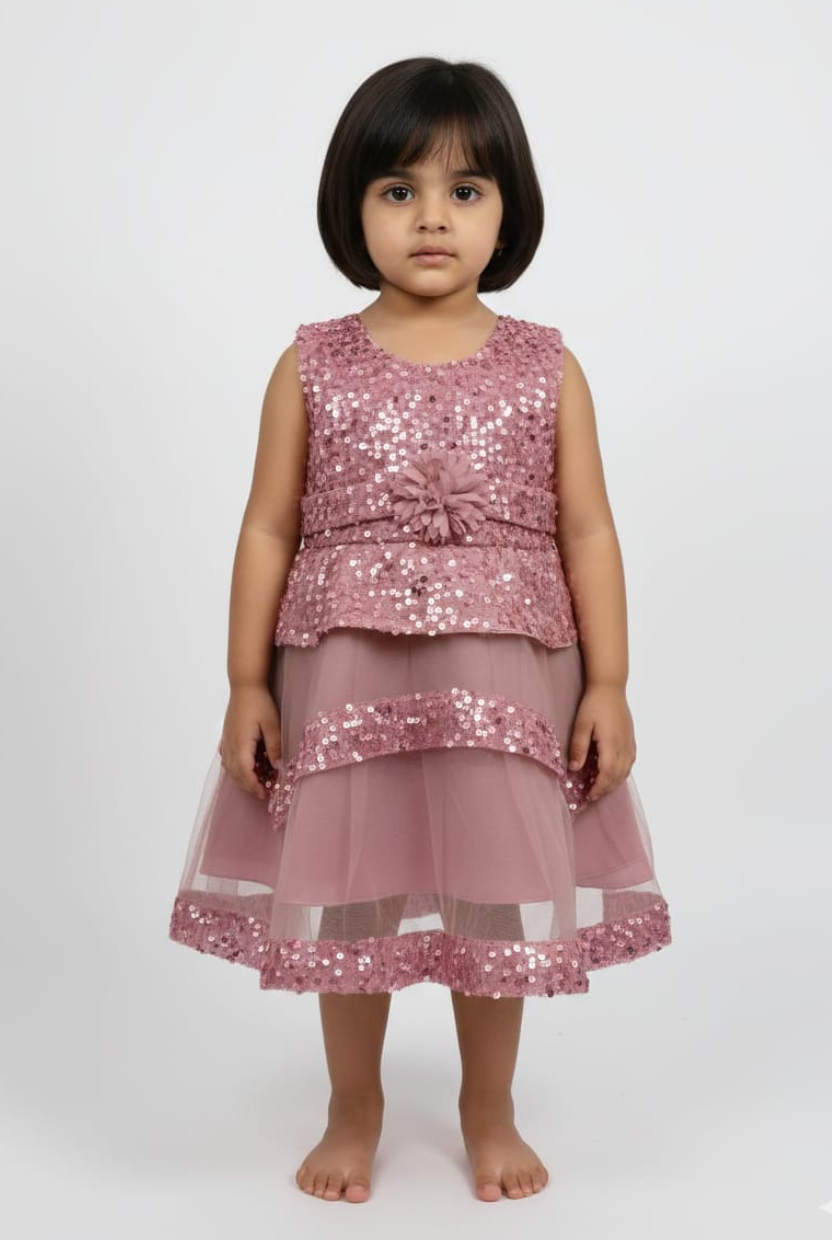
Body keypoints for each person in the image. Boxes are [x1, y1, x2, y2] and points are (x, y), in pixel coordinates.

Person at [168, 56, 672, 1205]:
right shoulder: (311, 364)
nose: (432, 216)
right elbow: (267, 526)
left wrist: (609, 682)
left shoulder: (549, 366)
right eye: (399, 189)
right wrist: (246, 682)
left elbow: (589, 530)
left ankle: (488, 1106)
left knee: (495, 894)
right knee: (349, 896)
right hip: (347, 678)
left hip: (506, 679)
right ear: (351, 207)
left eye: (464, 189)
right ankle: (354, 1104)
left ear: (509, 209)